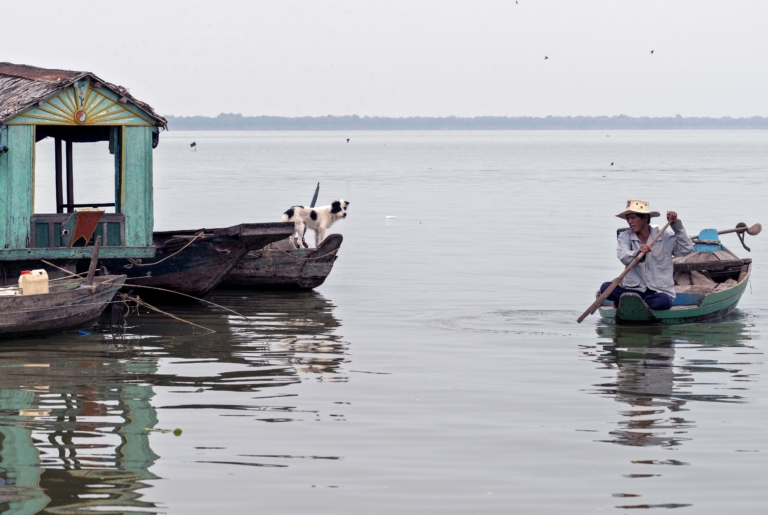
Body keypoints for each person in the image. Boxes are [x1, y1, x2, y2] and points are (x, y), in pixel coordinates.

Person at [600, 199, 693, 310]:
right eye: (628, 219)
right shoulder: (624, 236)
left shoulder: (665, 236)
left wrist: (675, 225)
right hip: (634, 291)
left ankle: (632, 302)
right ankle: (636, 301)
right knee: (605, 288)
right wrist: (638, 253)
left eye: (633, 218)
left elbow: (686, 249)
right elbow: (623, 256)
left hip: (658, 292)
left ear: (645, 218)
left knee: (664, 301)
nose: (629, 222)